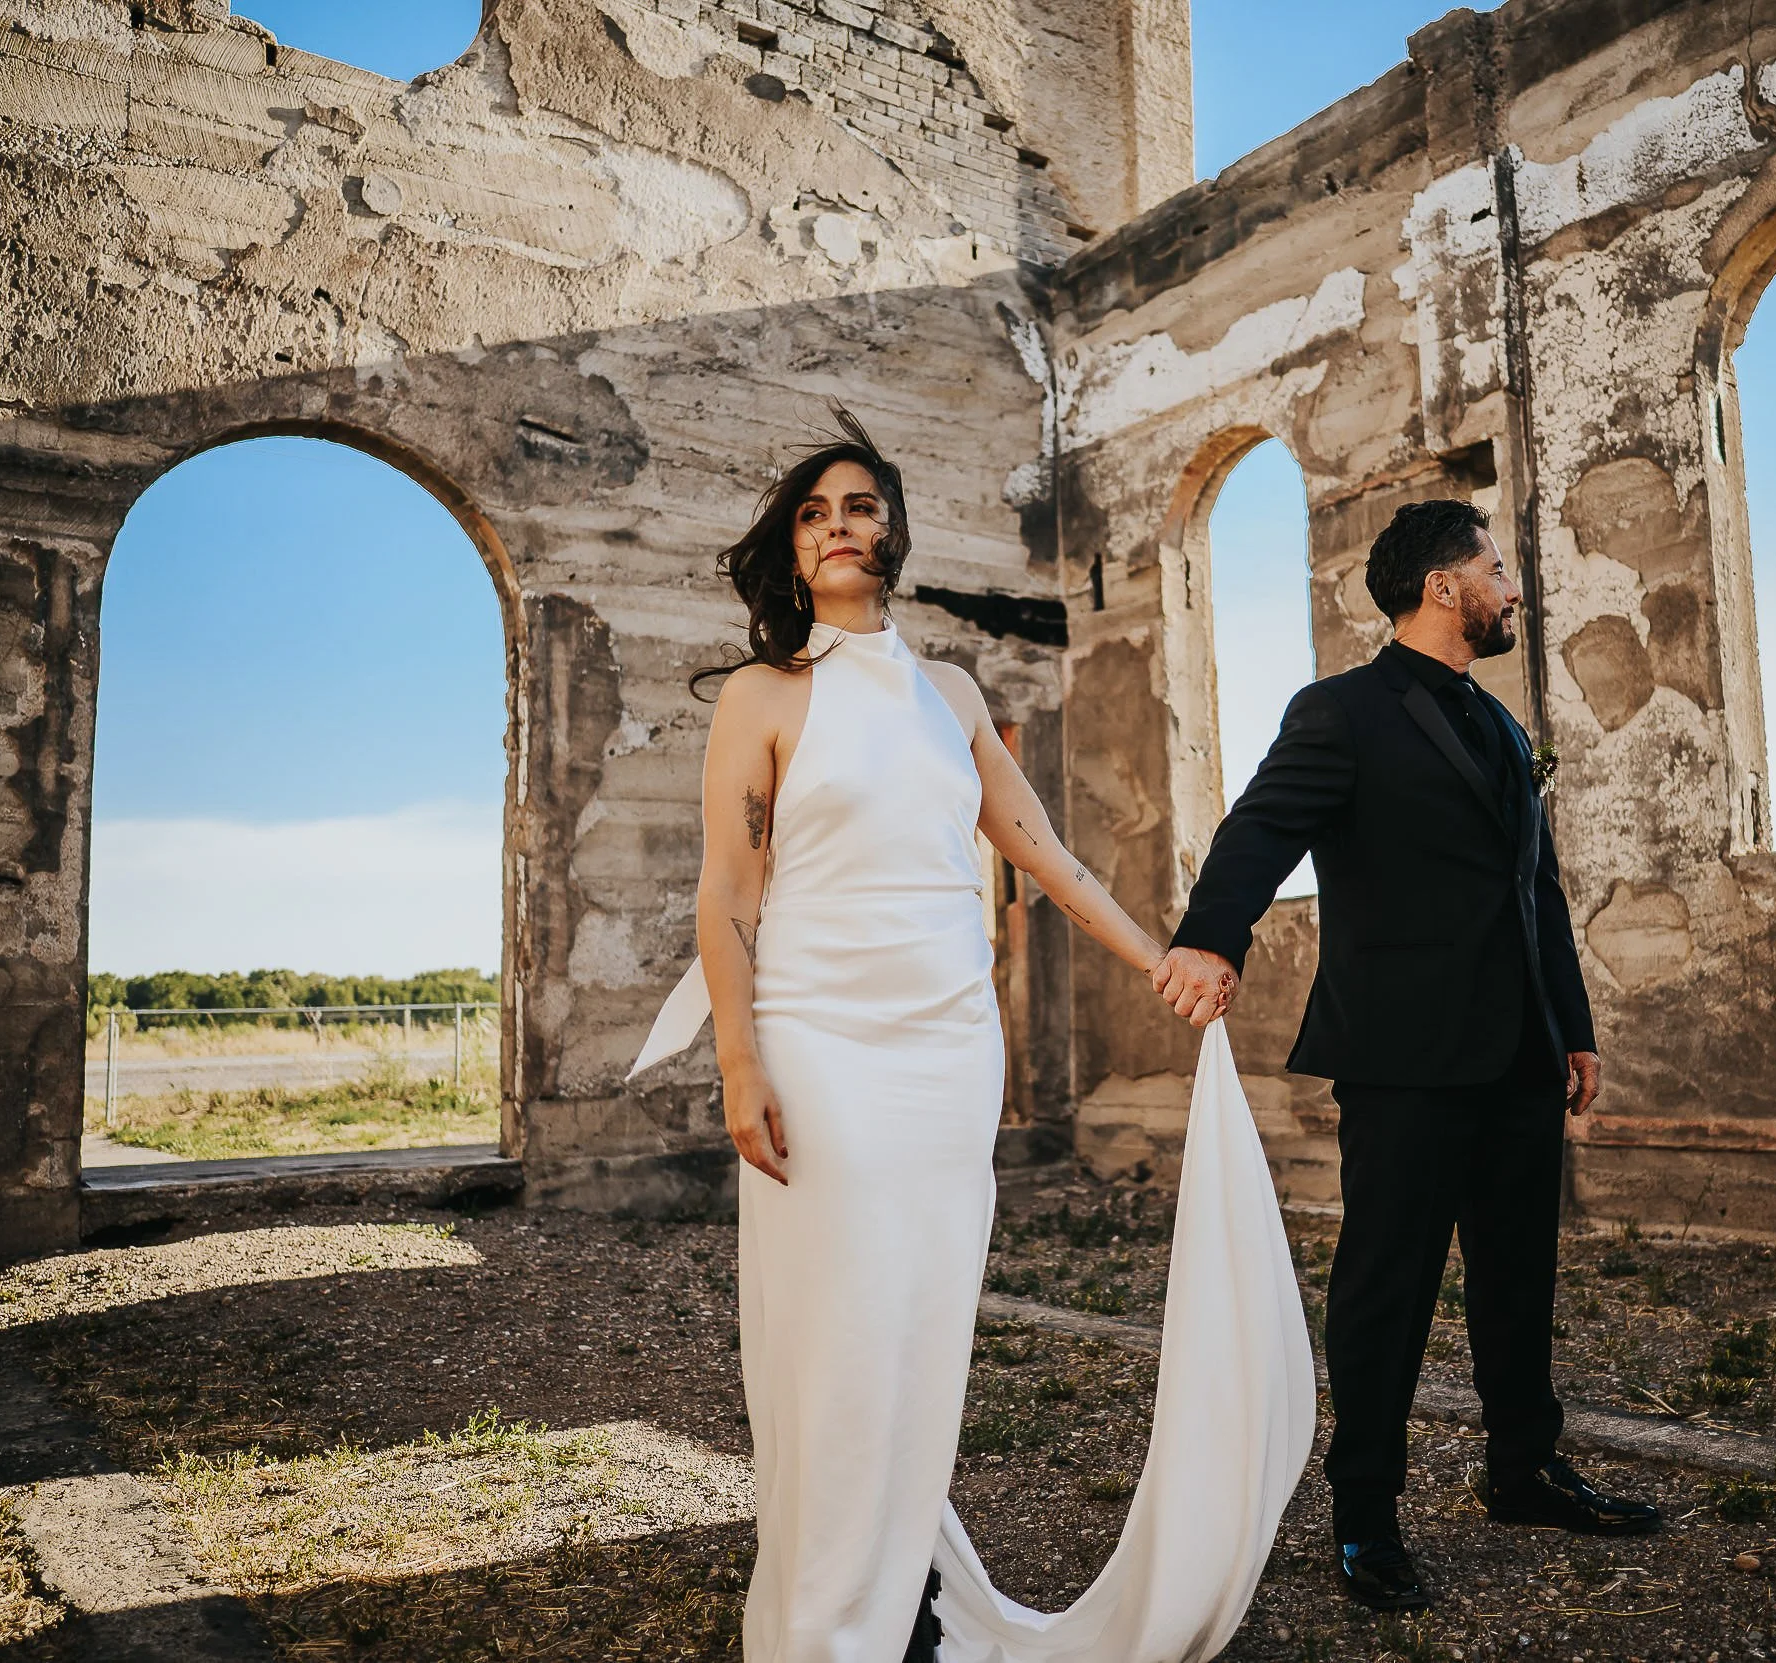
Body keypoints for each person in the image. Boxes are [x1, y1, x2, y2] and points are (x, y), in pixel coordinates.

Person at [682, 408, 1311, 1663]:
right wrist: (739, 1059)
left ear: (895, 531)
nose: (839, 527)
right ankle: (832, 1615)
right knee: (845, 1319)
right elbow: (728, 895)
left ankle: (901, 1584)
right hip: (819, 1038)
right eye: (813, 514)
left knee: (921, 1318)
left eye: (859, 506)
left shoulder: (949, 693)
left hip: (947, 1049)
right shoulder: (763, 695)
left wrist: (1164, 960)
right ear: (791, 553)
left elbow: (1049, 859)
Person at [1152, 498, 1660, 1615]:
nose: (1512, 586)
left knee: (1520, 1278)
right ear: (1443, 585)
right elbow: (1259, 828)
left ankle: (1521, 1469)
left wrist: (1569, 1024)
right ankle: (1365, 1516)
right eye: (1496, 567)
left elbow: (1536, 888)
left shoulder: (1506, 729)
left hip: (1520, 1051)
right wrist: (1209, 934)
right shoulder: (1340, 713)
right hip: (1405, 1059)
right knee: (1386, 1290)